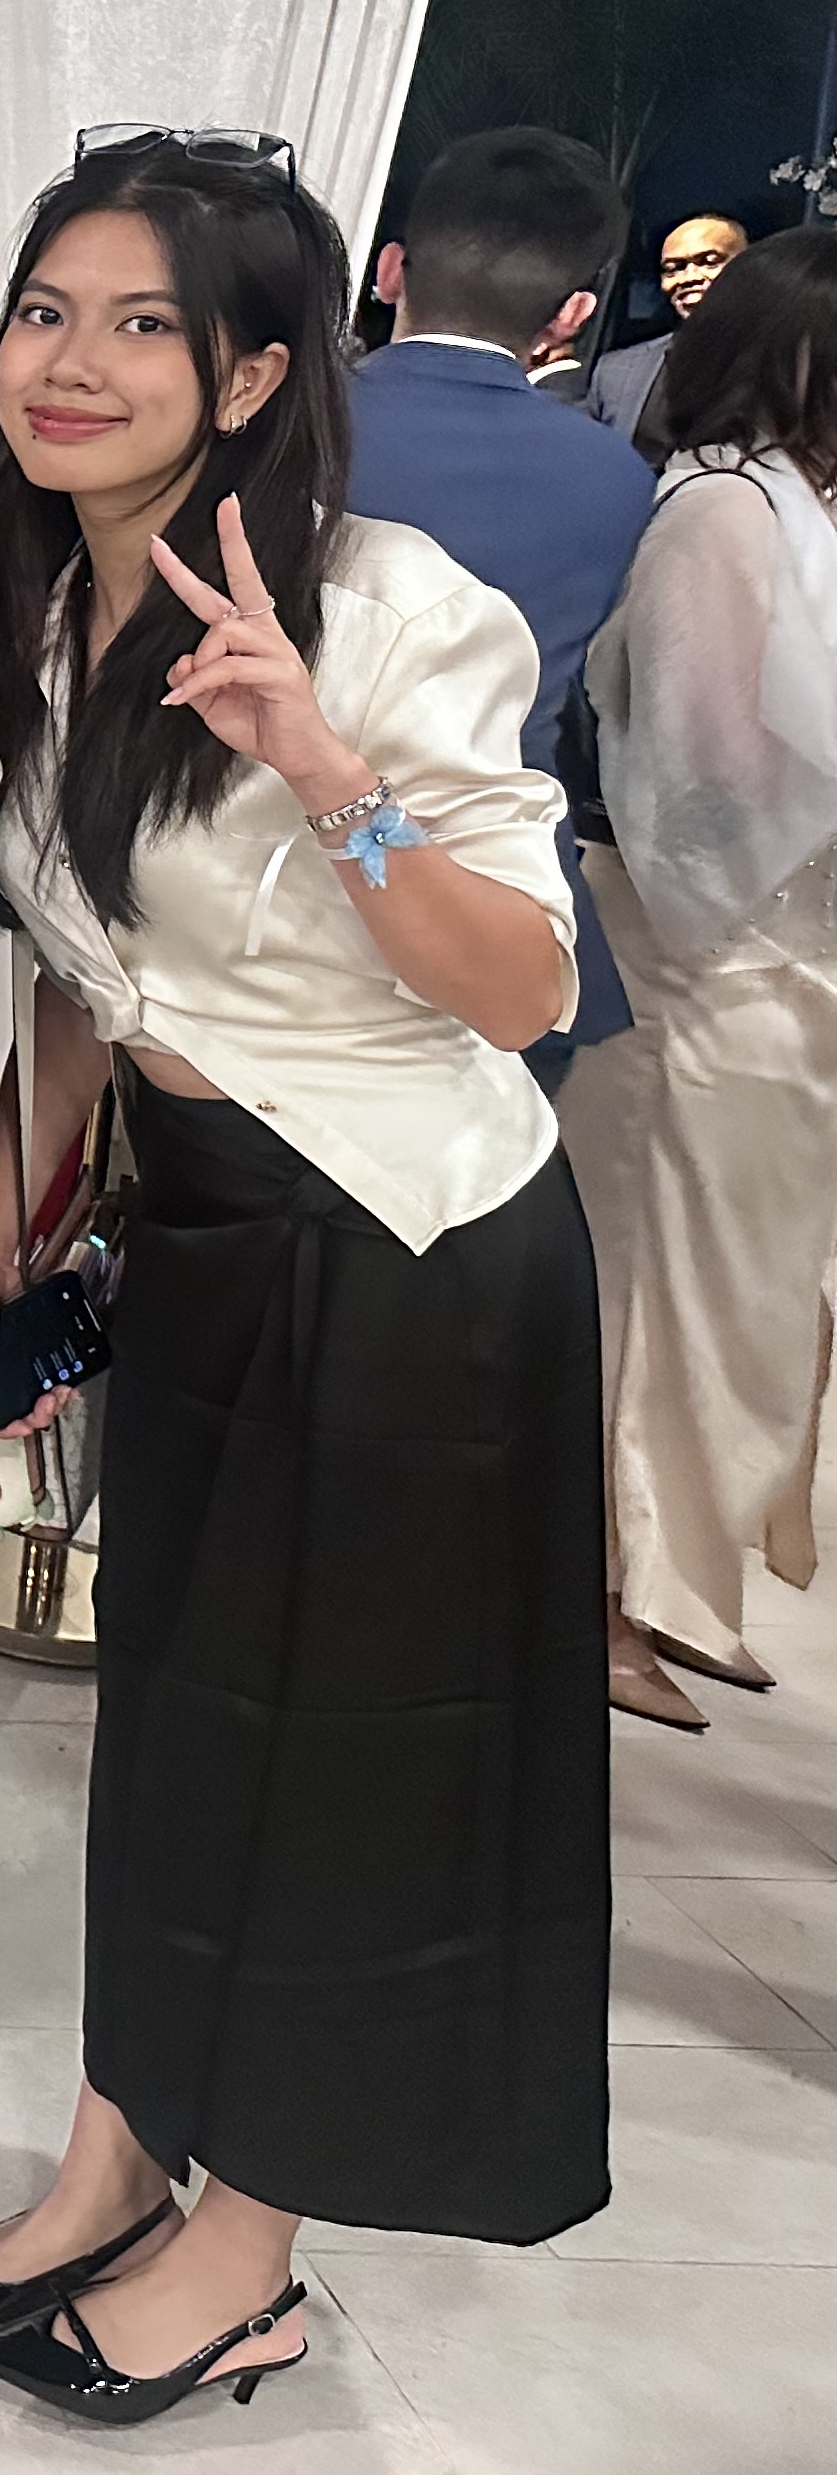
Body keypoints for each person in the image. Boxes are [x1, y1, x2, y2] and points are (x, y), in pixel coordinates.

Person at [0, 131, 606, 2428]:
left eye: (141, 326)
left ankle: (250, 2249)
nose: (70, 363)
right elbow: (82, 982)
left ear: (260, 372)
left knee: (335, 1770)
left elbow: (519, 987)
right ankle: (116, 2160)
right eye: (44, 312)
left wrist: (322, 767)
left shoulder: (381, 606)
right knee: (179, 1730)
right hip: (198, 1231)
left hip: (406, 1254)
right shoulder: (31, 594)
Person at [565, 227, 837, 1731]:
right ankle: (604, 1592)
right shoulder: (722, 509)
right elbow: (695, 765)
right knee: (653, 1287)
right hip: (696, 949)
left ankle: (684, 1586)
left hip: (780, 955)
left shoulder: (795, 506)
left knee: (743, 1291)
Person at [349, 127, 652, 1087]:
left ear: (390, 269)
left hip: (281, 874)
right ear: (572, 313)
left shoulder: (287, 428)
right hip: (504, 884)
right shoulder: (615, 475)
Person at [591, 209, 750, 450]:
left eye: (709, 262)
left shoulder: (789, 363)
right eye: (673, 268)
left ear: (748, 267)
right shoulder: (614, 373)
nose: (689, 278)